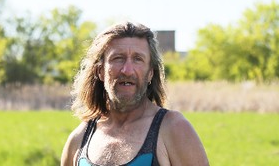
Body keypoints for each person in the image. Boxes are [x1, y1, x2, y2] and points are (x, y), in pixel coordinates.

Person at [61, 22, 209, 166]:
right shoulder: (79, 140)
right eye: (118, 58)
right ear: (100, 71)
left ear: (150, 73)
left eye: (138, 59)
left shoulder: (174, 129)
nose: (127, 70)